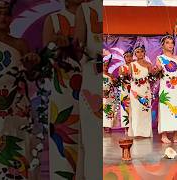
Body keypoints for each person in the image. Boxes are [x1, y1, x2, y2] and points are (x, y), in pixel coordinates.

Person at [0, 0, 40, 179]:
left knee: (19, 150)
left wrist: (31, 66)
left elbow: (31, 78)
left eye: (6, 13)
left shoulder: (20, 45)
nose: (3, 17)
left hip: (16, 107)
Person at [42, 0, 84, 179]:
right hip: (63, 86)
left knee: (87, 139)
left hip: (88, 84)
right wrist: (58, 46)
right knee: (63, 136)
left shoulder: (91, 14)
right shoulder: (54, 19)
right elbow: (46, 55)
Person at [74, 0, 101, 178]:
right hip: (95, 77)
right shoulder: (85, 9)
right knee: (93, 137)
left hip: (121, 75)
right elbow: (78, 49)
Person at [156, 35, 177, 144]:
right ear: (163, 45)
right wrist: (157, 68)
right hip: (166, 87)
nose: (170, 45)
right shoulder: (159, 58)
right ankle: (164, 135)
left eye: (172, 43)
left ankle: (176, 135)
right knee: (165, 109)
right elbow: (158, 69)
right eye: (167, 42)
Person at [127, 44, 153, 138]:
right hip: (135, 90)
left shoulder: (149, 65)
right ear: (135, 54)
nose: (140, 53)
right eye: (137, 52)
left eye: (142, 51)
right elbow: (129, 78)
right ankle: (137, 132)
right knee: (136, 111)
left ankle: (145, 133)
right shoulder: (132, 64)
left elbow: (151, 78)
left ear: (145, 52)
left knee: (145, 110)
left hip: (145, 90)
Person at [119, 49, 133, 134]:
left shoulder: (135, 66)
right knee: (125, 108)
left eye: (130, 56)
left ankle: (133, 126)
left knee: (134, 107)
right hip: (125, 90)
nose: (129, 58)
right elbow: (121, 77)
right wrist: (126, 74)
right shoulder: (122, 67)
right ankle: (126, 127)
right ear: (124, 58)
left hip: (134, 89)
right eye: (127, 56)